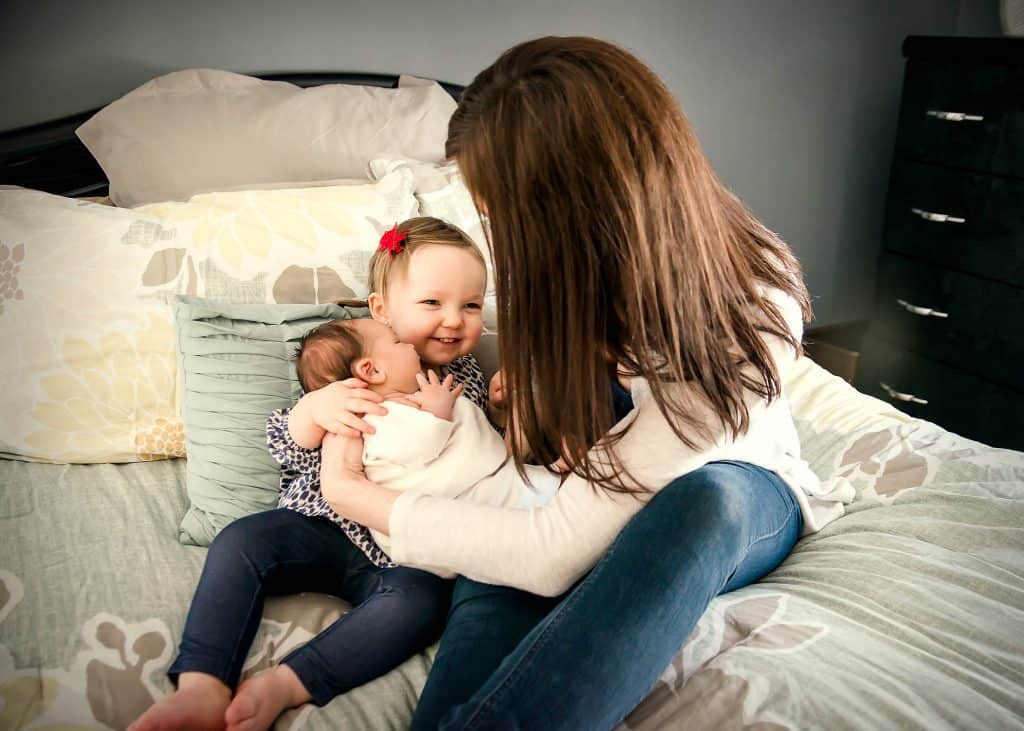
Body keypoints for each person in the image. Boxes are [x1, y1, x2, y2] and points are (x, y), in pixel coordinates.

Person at [318, 36, 855, 730]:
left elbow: (548, 553)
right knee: (504, 520)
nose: (503, 241)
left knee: (703, 504)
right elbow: (527, 529)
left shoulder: (752, 312)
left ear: (571, 214)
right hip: (613, 443)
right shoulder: (574, 283)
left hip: (739, 474)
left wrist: (360, 495)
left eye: (504, 217)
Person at [129, 218, 495, 731]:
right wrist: (312, 413)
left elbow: (473, 460)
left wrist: (502, 403)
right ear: (382, 311)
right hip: (320, 526)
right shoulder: (356, 363)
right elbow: (289, 450)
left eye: (472, 305)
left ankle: (285, 684)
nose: (454, 321)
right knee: (241, 541)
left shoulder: (470, 378)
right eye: (432, 303)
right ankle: (203, 683)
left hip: (401, 548)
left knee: (421, 605)